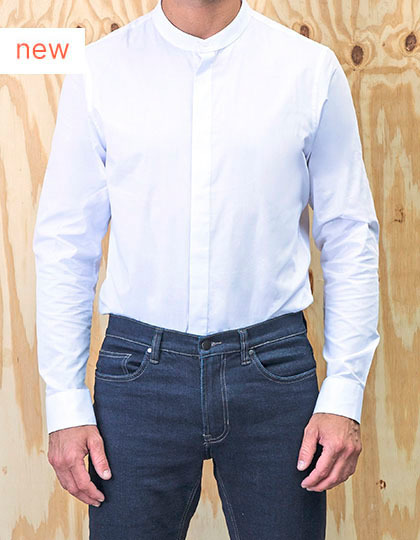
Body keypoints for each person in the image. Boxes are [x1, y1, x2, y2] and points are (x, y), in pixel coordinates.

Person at [32, 0, 380, 538]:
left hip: (273, 374)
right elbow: (65, 243)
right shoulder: (100, 71)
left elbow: (350, 236)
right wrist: (64, 400)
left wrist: (345, 391)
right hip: (138, 375)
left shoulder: (308, 70)